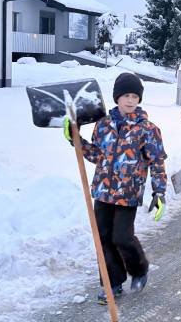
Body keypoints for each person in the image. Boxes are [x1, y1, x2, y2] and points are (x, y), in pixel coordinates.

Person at [64, 72, 167, 304]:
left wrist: (159, 192)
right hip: (103, 191)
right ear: (116, 97)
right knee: (103, 238)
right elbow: (97, 156)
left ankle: (139, 269)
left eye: (134, 96)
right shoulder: (103, 125)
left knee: (122, 237)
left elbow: (157, 161)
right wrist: (76, 139)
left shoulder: (147, 129)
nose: (130, 100)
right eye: (126, 95)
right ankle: (113, 282)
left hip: (128, 194)